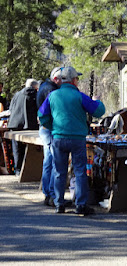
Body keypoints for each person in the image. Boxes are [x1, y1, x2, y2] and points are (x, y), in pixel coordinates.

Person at [38, 66, 105, 215]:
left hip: (58, 138)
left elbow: (41, 115)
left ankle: (58, 203)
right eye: (77, 79)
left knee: (59, 171)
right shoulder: (79, 96)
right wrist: (98, 101)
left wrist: (52, 126)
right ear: (74, 80)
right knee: (80, 171)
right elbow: (99, 111)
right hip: (77, 138)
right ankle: (81, 205)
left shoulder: (53, 95)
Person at [36, 67, 63, 207]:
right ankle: (52, 194)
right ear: (56, 79)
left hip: (45, 128)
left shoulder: (45, 86)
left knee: (48, 161)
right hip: (50, 128)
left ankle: (47, 193)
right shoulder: (50, 90)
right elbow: (54, 109)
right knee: (53, 161)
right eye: (62, 79)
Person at [8, 79, 39, 176]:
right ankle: (29, 172)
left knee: (17, 149)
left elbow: (11, 109)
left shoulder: (17, 95)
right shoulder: (35, 95)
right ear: (35, 86)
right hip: (29, 125)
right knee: (29, 150)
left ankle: (18, 170)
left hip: (15, 124)